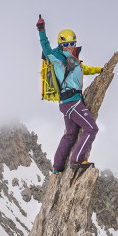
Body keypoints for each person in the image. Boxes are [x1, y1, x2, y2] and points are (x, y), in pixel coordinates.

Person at [37, 15, 103, 174]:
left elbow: (84, 69)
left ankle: (57, 167)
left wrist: (100, 70)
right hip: (72, 102)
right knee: (91, 128)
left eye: (72, 43)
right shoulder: (57, 58)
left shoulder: (74, 60)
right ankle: (77, 161)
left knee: (71, 134)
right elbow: (45, 47)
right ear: (60, 44)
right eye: (65, 44)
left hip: (68, 102)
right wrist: (41, 30)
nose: (69, 46)